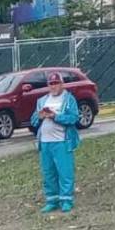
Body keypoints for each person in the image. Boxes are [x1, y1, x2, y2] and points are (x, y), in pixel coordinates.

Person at [29, 72, 80, 214]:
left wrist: (55, 116)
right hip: (45, 142)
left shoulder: (69, 99)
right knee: (48, 172)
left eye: (56, 83)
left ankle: (66, 200)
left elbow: (74, 118)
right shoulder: (42, 101)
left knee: (64, 172)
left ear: (62, 84)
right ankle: (52, 200)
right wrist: (39, 116)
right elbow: (33, 121)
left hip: (62, 141)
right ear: (48, 85)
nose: (54, 86)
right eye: (51, 83)